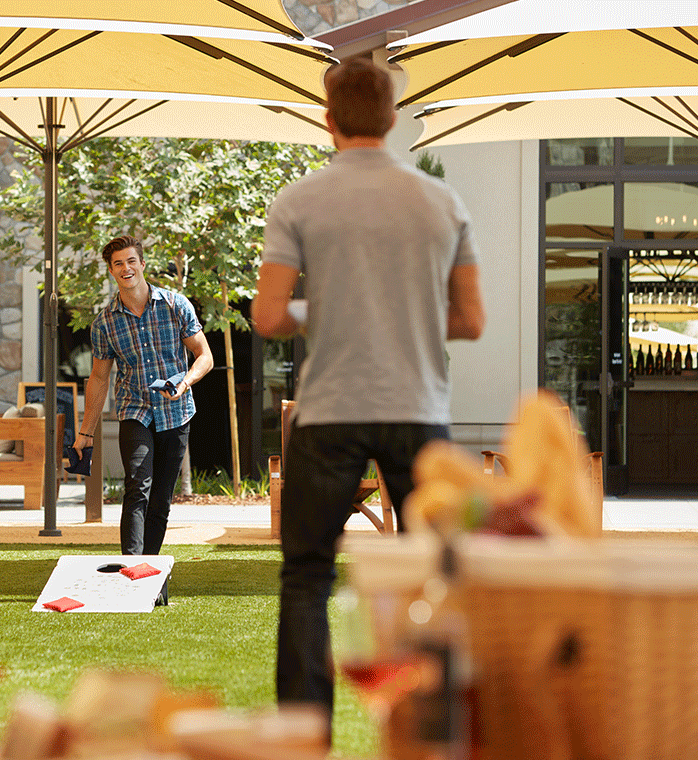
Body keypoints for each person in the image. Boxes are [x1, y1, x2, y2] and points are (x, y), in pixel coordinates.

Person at [251, 58, 485, 737]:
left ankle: (302, 740)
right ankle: (430, 738)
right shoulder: (442, 203)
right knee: (434, 578)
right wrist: (401, 316)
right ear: (392, 119)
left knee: (307, 577)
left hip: (330, 412)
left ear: (328, 120)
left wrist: (327, 314)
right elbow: (471, 321)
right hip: (418, 412)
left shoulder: (298, 200)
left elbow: (268, 316)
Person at [73, 235, 213, 558]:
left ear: (142, 264)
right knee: (137, 486)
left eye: (131, 261)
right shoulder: (105, 323)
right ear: (111, 271)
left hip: (176, 412)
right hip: (134, 409)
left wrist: (185, 382)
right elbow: (99, 378)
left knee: (161, 500)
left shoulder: (176, 305)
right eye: (118, 264)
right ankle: (132, 567)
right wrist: (85, 432)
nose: (126, 268)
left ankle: (149, 570)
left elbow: (204, 356)